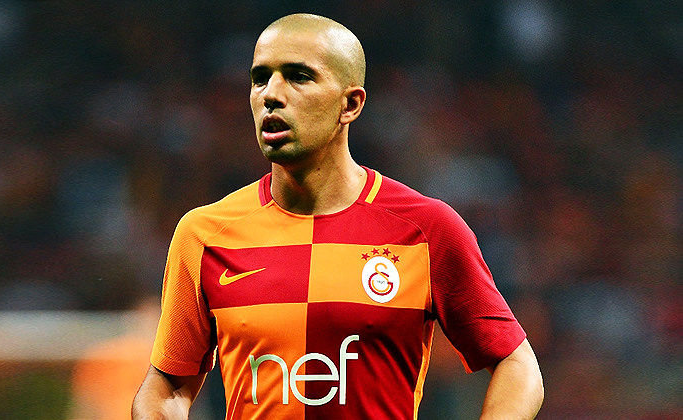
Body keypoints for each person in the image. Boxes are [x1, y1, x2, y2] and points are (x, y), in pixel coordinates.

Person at [133, 13, 543, 419]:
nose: (271, 94)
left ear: (350, 104)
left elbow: (517, 364)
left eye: (298, 76)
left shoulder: (427, 229)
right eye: (260, 78)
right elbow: (167, 387)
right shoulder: (204, 234)